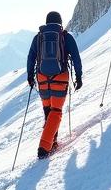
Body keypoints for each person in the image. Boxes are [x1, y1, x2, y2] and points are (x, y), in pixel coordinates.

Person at [26, 11, 83, 159]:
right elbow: (76, 57)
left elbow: (30, 58)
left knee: (48, 111)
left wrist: (30, 77)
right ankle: (44, 147)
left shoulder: (38, 37)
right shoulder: (65, 36)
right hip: (60, 78)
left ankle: (53, 141)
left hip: (42, 78)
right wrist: (79, 76)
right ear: (60, 22)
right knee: (56, 111)